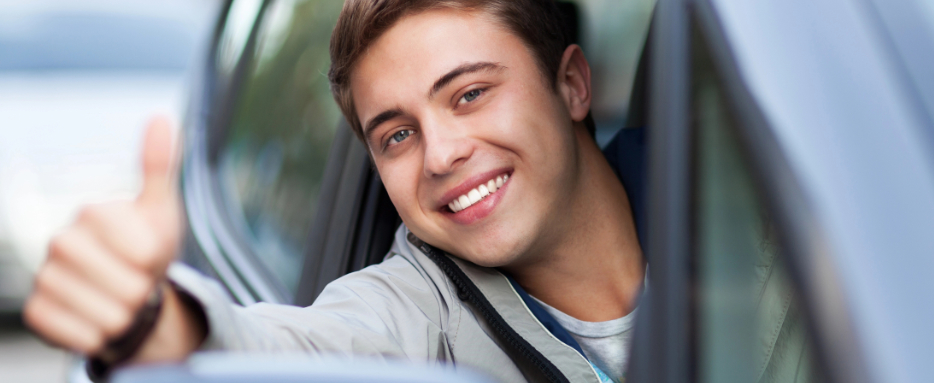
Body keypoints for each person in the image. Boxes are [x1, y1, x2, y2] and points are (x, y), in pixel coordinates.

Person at [23, 1, 647, 382]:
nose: (442, 154)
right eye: (398, 136)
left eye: (470, 94)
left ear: (571, 85)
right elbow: (295, 349)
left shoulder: (735, 198)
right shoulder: (416, 307)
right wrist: (159, 325)